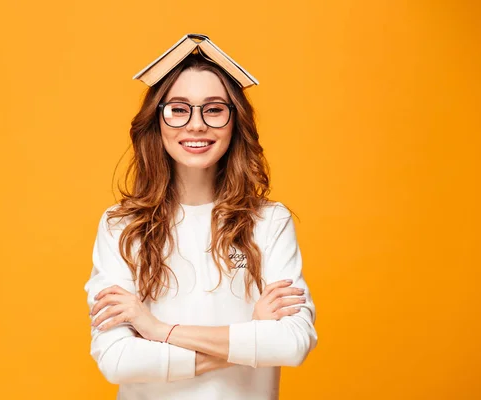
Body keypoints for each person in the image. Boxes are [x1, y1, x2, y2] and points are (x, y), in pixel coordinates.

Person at [84, 49, 318, 400]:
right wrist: (251, 335)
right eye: (178, 109)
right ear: (157, 121)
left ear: (234, 121)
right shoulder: (121, 226)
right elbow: (118, 360)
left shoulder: (269, 222)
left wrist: (158, 330)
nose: (196, 124)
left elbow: (293, 343)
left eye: (214, 109)